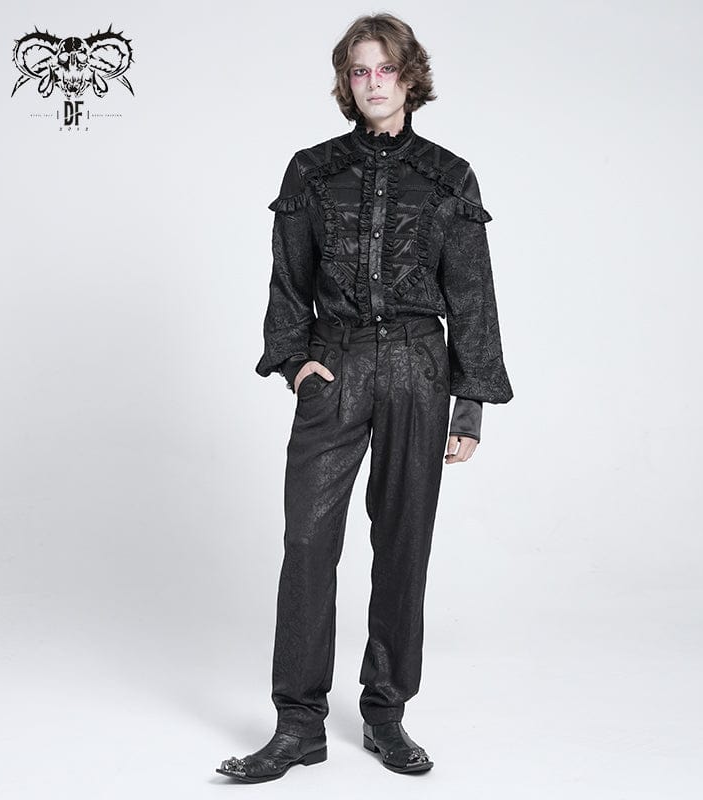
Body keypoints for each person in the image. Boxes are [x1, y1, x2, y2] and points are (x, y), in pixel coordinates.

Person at [216, 12, 513, 783]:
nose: (372, 82)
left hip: (419, 367)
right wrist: (295, 363)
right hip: (336, 364)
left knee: (404, 543)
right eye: (358, 70)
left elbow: (472, 295)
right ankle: (297, 726)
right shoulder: (311, 171)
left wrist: (470, 404)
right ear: (345, 82)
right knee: (308, 543)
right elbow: (288, 280)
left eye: (385, 68)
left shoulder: (449, 176)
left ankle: (385, 713)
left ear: (410, 76)